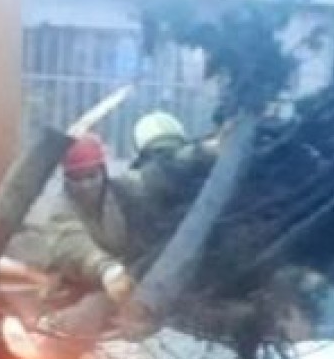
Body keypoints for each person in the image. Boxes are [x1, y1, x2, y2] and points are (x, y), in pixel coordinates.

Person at [44, 113, 217, 302]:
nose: (85, 185)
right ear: (66, 179)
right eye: (76, 178)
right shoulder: (60, 210)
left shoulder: (124, 189)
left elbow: (157, 174)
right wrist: (106, 270)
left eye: (92, 176)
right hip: (83, 288)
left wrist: (203, 151)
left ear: (103, 172)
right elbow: (74, 246)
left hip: (128, 280)